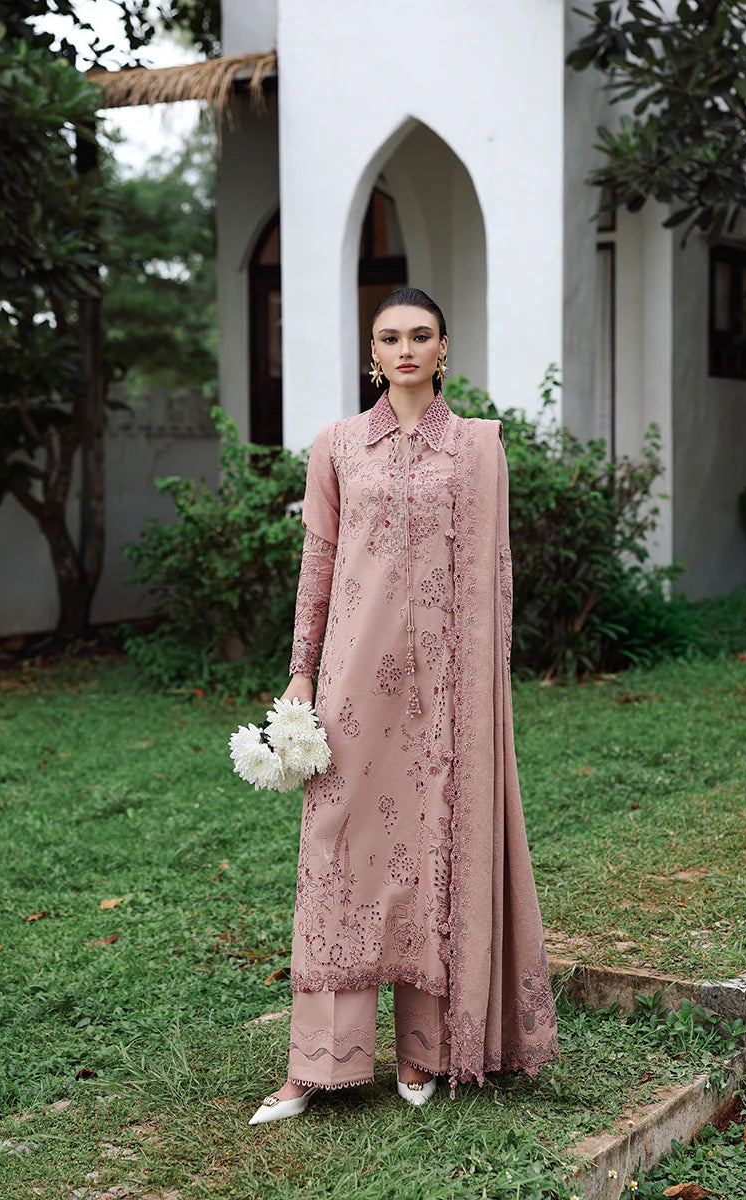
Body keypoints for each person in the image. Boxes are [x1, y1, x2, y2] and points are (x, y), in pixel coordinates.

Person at [249, 287, 558, 1126]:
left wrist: (485, 692)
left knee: (432, 850)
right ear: (373, 353)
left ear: (444, 348)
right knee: (338, 849)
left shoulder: (478, 448)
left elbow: (496, 576)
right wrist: (301, 673)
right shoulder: (338, 446)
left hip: (448, 693)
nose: (407, 348)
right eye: (391, 337)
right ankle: (319, 1062)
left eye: (421, 335)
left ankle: (425, 1049)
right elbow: (319, 563)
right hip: (355, 683)